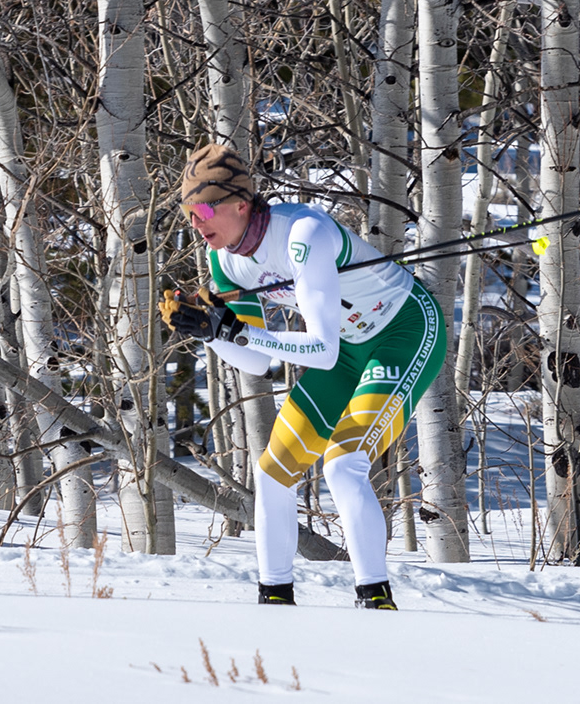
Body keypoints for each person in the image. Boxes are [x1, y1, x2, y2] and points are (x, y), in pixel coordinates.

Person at [160, 143, 444, 610]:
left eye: (205, 209)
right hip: (348, 349)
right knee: (273, 471)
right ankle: (274, 598)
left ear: (240, 203)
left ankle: (375, 600)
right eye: (188, 213)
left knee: (343, 463)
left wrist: (235, 331)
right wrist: (209, 332)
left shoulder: (302, 234)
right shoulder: (225, 261)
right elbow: (256, 362)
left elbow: (321, 349)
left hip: (403, 331)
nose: (196, 222)